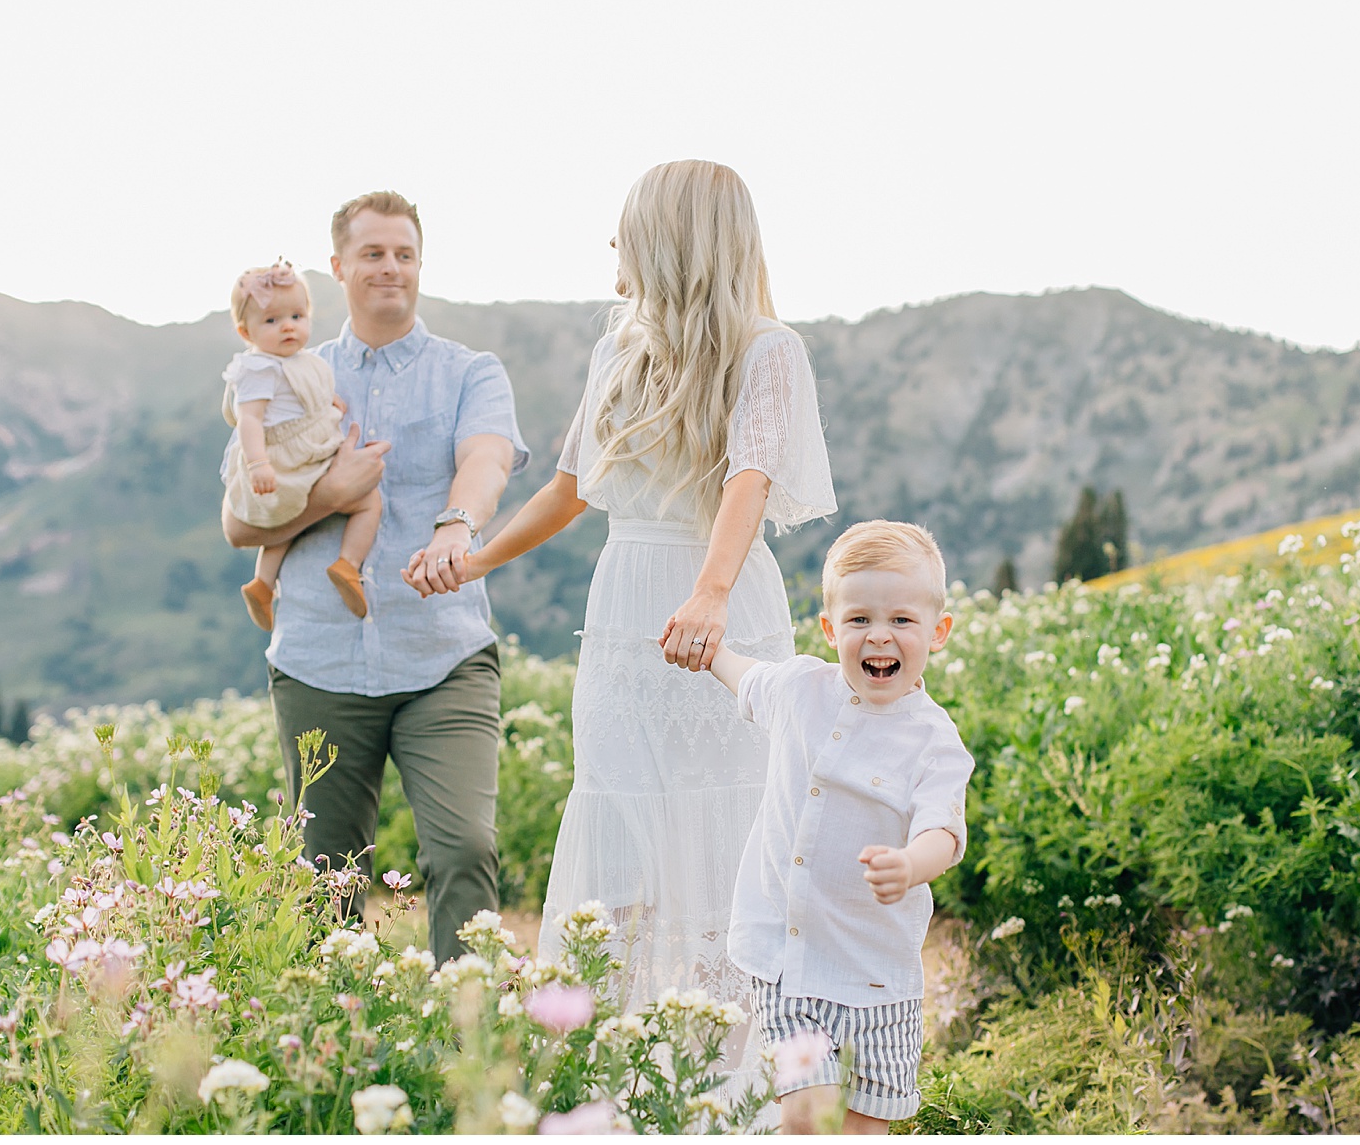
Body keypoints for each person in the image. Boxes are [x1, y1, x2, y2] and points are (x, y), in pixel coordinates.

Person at [443, 161, 836, 1054]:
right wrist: (478, 559)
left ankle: (727, 1066)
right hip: (625, 612)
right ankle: (605, 1055)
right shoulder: (616, 347)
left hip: (719, 606)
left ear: (670, 238)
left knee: (732, 825)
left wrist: (711, 591)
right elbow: (570, 488)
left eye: (627, 228)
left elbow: (750, 476)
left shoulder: (768, 348)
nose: (613, 246)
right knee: (618, 826)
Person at [221, 191, 530, 963]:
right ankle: (334, 1056)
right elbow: (237, 525)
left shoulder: (472, 372)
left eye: (403, 253)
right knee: (324, 881)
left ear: (419, 265)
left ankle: (471, 1044)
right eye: (372, 253)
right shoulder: (288, 374)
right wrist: (329, 496)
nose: (390, 267)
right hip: (319, 660)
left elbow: (486, 460)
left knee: (463, 851)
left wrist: (458, 522)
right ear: (338, 267)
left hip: (445, 656)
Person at [703, 520, 974, 1134]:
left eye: (902, 620)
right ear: (831, 629)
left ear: (938, 631)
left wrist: (910, 866)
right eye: (859, 620)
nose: (880, 635)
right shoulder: (801, 689)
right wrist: (706, 648)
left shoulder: (935, 742)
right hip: (788, 959)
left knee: (859, 1130)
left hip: (880, 977)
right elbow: (746, 677)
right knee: (807, 1117)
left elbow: (944, 833)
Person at [220, 258, 380, 630]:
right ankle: (347, 564)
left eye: (296, 316)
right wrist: (259, 464)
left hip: (304, 450)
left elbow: (307, 395)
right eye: (272, 321)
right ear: (247, 332)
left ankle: (262, 583)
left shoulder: (300, 361)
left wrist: (330, 402)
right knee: (369, 500)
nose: (287, 327)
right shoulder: (259, 368)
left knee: (287, 520)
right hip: (288, 458)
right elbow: (250, 420)